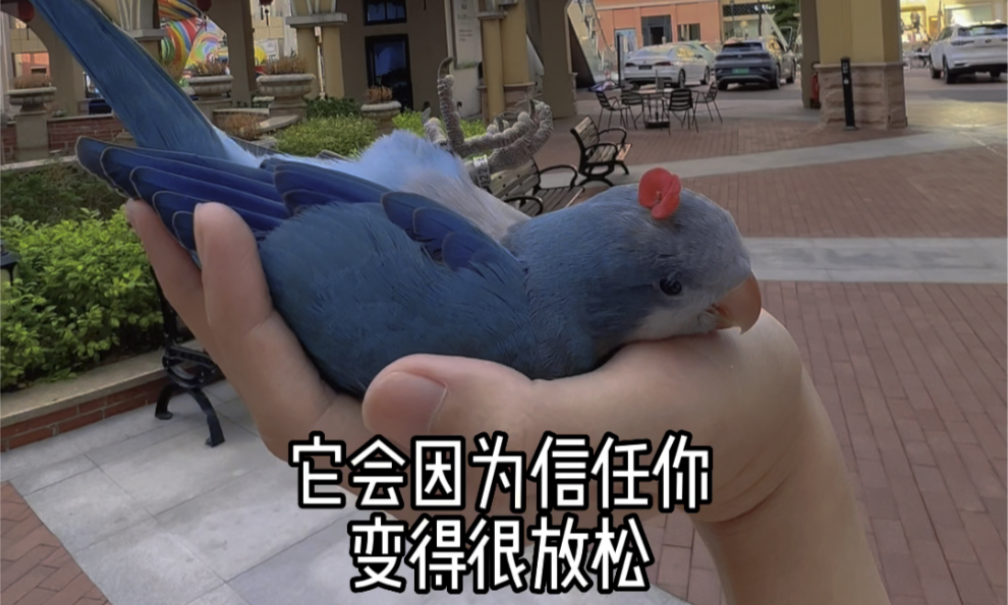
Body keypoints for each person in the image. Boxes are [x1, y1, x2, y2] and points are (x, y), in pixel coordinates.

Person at [126, 200, 892, 605]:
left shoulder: (547, 299)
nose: (739, 304)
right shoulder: (517, 325)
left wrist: (775, 461)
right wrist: (774, 474)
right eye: (672, 286)